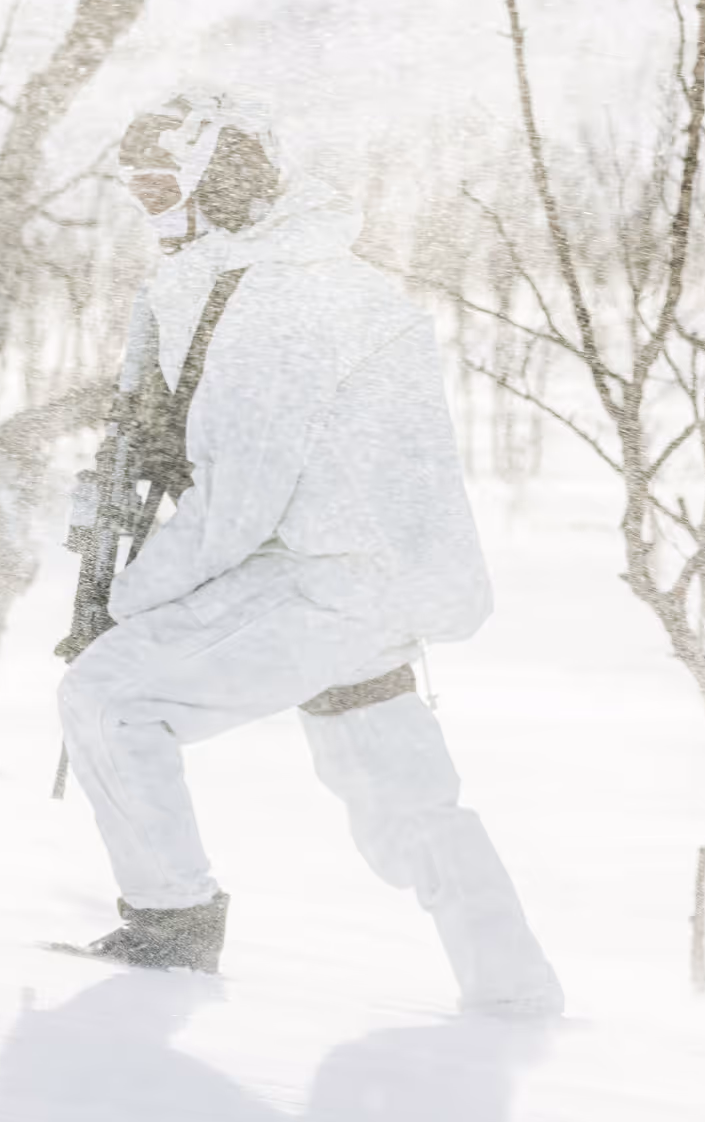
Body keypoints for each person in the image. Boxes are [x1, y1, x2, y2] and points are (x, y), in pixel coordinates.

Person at [55, 90, 564, 1016]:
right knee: (405, 813)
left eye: (164, 182)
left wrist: (123, 603)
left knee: (106, 695)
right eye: (135, 187)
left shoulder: (280, 299)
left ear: (221, 178)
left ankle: (171, 929)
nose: (149, 205)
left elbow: (237, 499)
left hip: (322, 582)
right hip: (379, 585)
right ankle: (516, 994)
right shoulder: (297, 279)